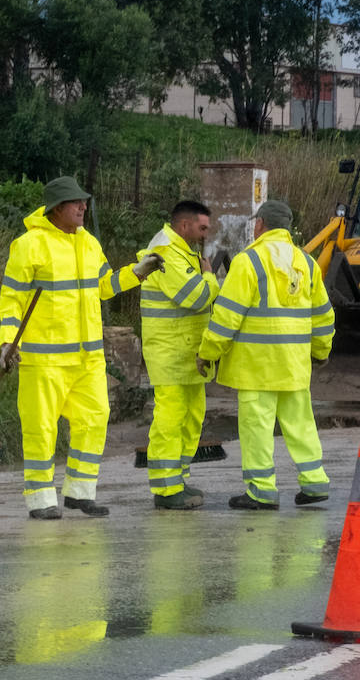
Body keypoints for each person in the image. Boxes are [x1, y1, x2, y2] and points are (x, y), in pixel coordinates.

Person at [0, 177, 163, 520]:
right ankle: (40, 499)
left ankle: (80, 492)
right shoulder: (29, 245)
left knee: (94, 418)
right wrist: (6, 342)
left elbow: (104, 286)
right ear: (58, 207)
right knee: (41, 427)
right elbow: (12, 300)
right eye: (76, 202)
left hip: (87, 358)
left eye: (84, 202)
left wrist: (137, 271)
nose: (83, 207)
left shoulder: (88, 243)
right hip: (44, 359)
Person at [196, 200, 335, 510]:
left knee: (257, 429)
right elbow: (323, 316)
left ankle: (261, 491)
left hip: (256, 367)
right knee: (300, 424)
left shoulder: (249, 262)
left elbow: (226, 316)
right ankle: (315, 483)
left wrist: (208, 352)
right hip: (294, 364)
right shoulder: (307, 263)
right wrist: (321, 351)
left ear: (260, 224)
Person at [139, 201, 221, 510]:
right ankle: (165, 489)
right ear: (184, 226)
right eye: (202, 228)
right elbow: (196, 298)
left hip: (187, 353)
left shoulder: (184, 251)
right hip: (169, 354)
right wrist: (211, 278)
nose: (205, 233)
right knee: (170, 421)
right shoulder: (165, 253)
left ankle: (178, 480)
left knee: (191, 417)